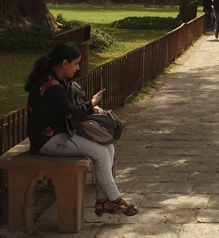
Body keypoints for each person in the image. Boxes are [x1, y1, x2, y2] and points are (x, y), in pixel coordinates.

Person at [25, 41, 138, 216]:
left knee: (108, 146)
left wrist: (89, 107)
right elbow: (71, 112)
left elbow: (70, 108)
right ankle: (115, 198)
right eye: (76, 63)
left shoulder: (56, 80)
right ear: (64, 63)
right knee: (100, 153)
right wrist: (92, 103)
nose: (77, 68)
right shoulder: (50, 85)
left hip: (62, 134)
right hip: (47, 140)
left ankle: (102, 201)